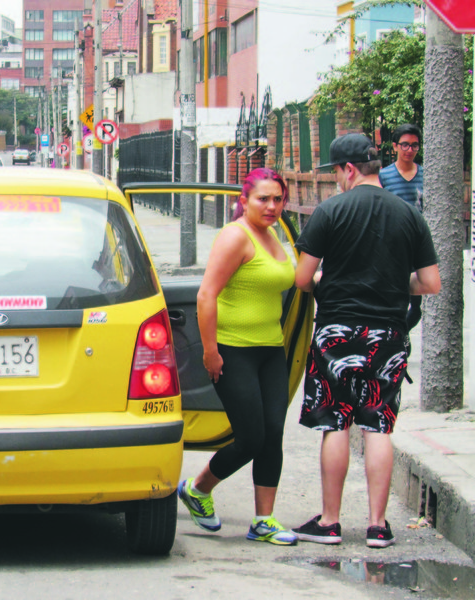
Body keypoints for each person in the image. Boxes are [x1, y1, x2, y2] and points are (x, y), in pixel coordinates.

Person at [291, 133, 440, 549]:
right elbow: (431, 282)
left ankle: (331, 522)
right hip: (388, 335)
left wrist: (329, 280)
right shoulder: (409, 215)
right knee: (378, 425)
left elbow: (303, 279)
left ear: (349, 169)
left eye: (337, 171)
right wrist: (394, 285)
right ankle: (377, 526)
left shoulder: (330, 210)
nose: (337, 179)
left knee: (334, 422)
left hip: (336, 331)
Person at [178, 167, 299, 546]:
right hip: (233, 351)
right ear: (243, 201)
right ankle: (198, 489)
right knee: (250, 438)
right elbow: (205, 295)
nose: (272, 206)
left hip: (270, 350)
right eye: (263, 198)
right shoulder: (236, 236)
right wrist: (210, 353)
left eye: (278, 199)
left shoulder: (274, 235)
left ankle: (264, 520)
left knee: (273, 435)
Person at [379, 124, 424, 330]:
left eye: (414, 146)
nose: (409, 150)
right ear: (395, 146)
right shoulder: (384, 176)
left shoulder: (425, 175)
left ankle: (400, 335)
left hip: (418, 247)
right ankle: (396, 340)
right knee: (393, 301)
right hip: (391, 248)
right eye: (405, 145)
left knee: (415, 308)